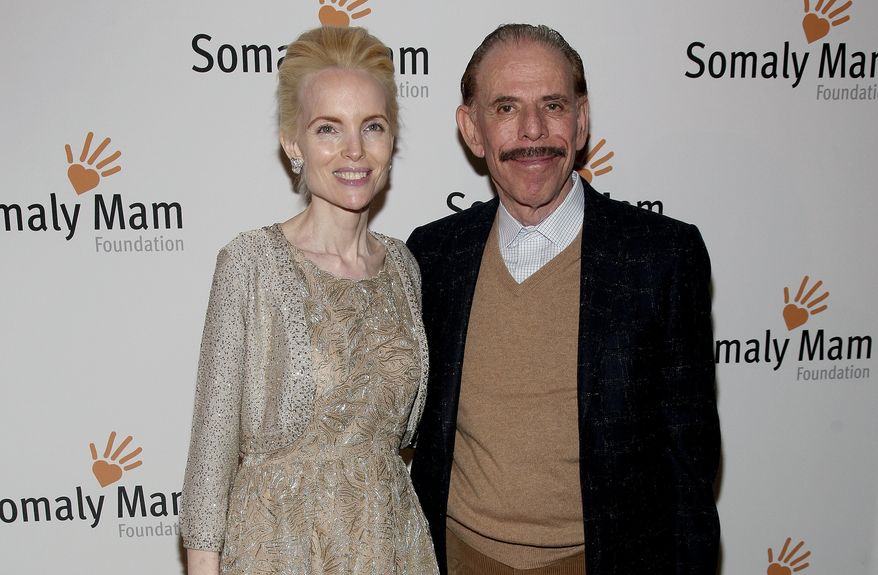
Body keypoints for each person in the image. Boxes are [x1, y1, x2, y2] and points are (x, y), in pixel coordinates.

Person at [407, 24, 720, 575]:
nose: (533, 131)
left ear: (580, 121)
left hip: (608, 561)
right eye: (505, 108)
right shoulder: (433, 255)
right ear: (472, 130)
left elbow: (689, 466)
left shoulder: (661, 256)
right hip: (458, 558)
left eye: (552, 105)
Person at [180, 26, 439, 575]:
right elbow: (211, 461)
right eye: (328, 129)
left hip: (390, 548)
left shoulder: (404, 269)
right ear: (292, 142)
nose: (354, 151)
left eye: (373, 126)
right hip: (281, 551)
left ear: (392, 139)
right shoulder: (251, 262)